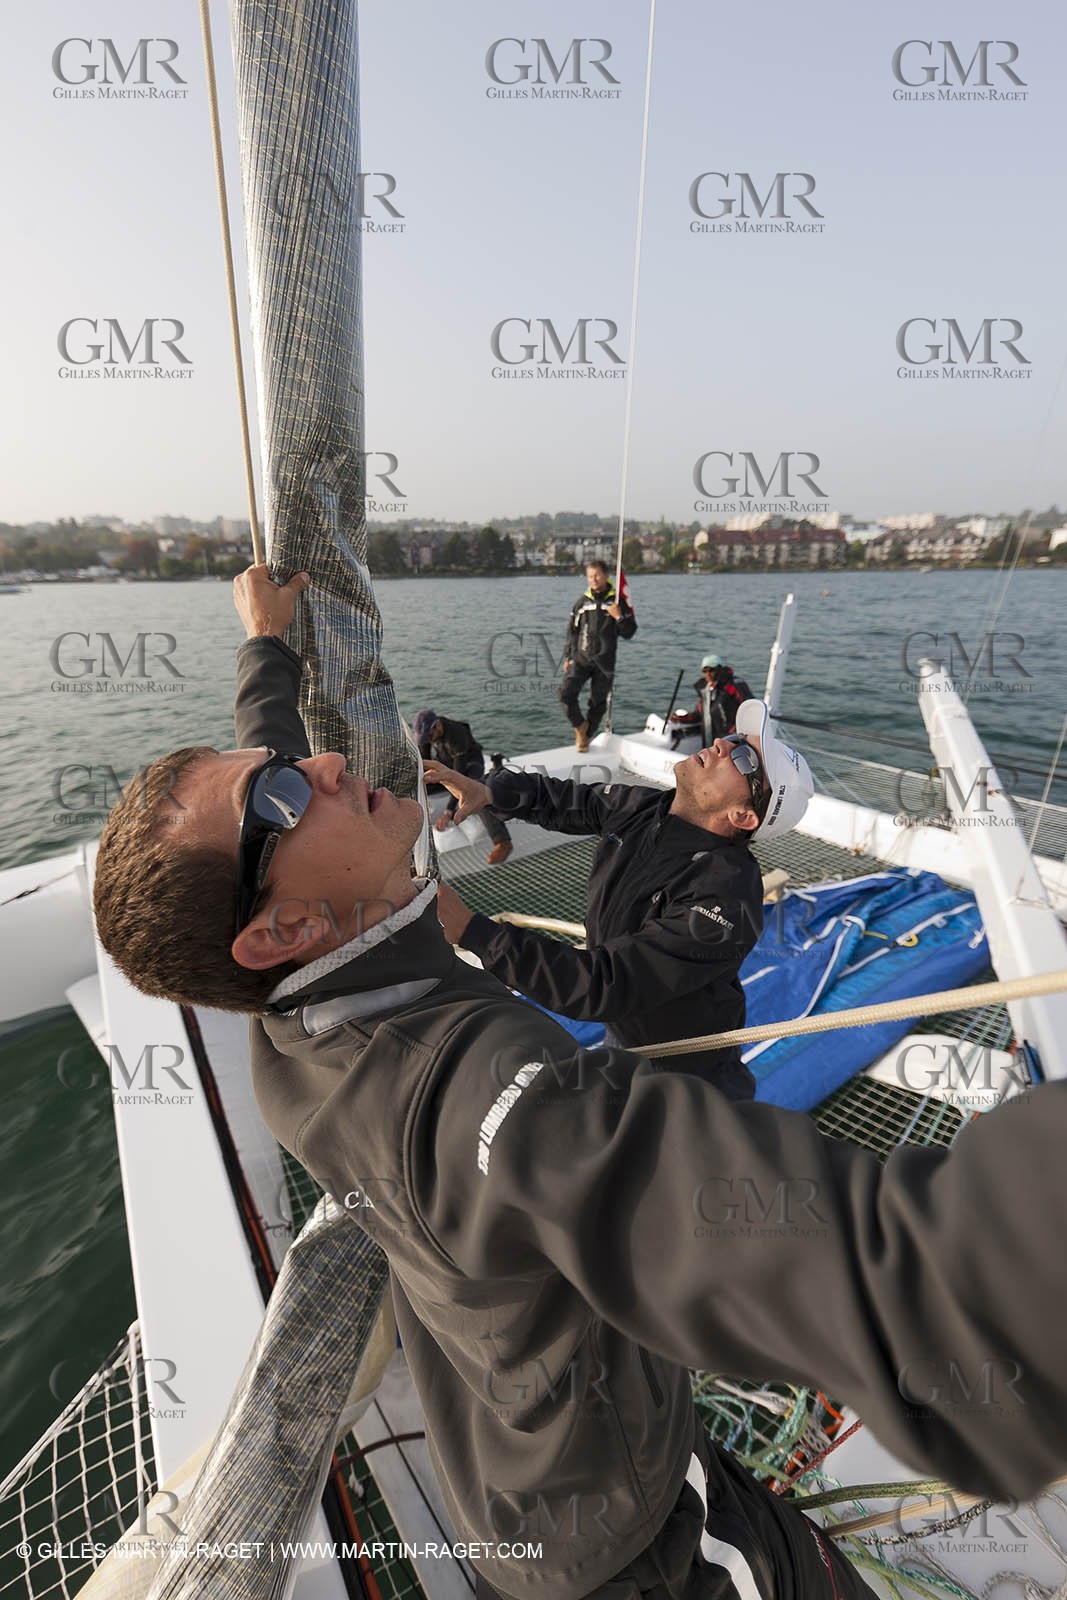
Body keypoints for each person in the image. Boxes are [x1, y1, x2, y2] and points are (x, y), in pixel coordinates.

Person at [91, 564, 1067, 1600]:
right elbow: (920, 1285)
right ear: (281, 931)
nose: (325, 760)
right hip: (638, 1552)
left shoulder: (287, 1017)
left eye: (736, 756)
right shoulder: (486, 1096)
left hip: (549, 1438)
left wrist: (267, 650)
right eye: (287, 788)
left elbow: (591, 974)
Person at [427, 701, 811, 1095]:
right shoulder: (650, 809)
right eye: (733, 738)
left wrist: (475, 933)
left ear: (743, 817)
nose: (720, 744)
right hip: (626, 1033)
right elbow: (574, 801)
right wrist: (491, 791)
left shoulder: (725, 895)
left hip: (683, 1072)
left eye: (743, 757)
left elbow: (607, 984)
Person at [412, 708, 513, 865]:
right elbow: (424, 762)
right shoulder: (428, 736)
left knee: (475, 793)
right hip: (448, 763)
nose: (429, 741)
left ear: (437, 726)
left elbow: (458, 777)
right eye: (425, 739)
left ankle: (502, 841)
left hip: (469, 764)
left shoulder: (456, 733)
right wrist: (421, 783)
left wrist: (448, 812)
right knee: (417, 781)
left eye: (430, 737)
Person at [560, 560, 637, 752]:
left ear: (606, 575)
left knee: (598, 703)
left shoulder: (617, 602)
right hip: (581, 659)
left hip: (605, 663)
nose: (593, 580)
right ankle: (580, 726)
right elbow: (572, 631)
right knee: (565, 693)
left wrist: (619, 617)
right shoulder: (581, 603)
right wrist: (568, 656)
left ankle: (585, 736)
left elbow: (629, 632)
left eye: (597, 575)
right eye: (589, 576)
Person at [671, 655, 752, 747]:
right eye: (705, 671)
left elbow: (749, 708)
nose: (708, 674)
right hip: (712, 742)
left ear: (720, 669)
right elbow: (699, 715)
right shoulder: (706, 691)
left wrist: (736, 731)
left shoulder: (733, 685)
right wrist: (680, 719)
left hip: (731, 740)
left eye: (711, 670)